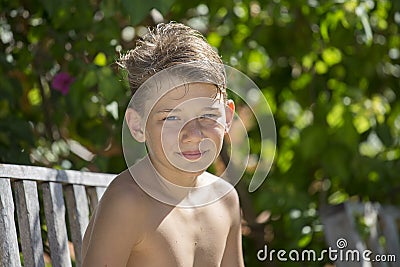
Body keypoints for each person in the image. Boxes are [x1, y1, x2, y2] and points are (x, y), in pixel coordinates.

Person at [82, 22, 245, 267]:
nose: (192, 134)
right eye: (171, 118)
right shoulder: (128, 203)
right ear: (138, 126)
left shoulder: (225, 200)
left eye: (207, 116)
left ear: (228, 117)